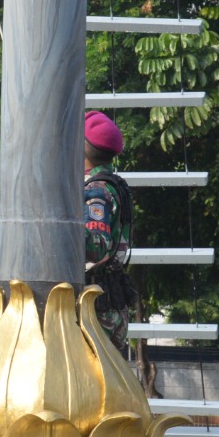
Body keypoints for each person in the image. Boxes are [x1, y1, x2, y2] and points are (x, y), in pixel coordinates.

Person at [83, 111, 136, 357]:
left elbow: (97, 246)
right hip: (110, 304)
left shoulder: (96, 190)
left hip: (96, 311)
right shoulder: (114, 184)